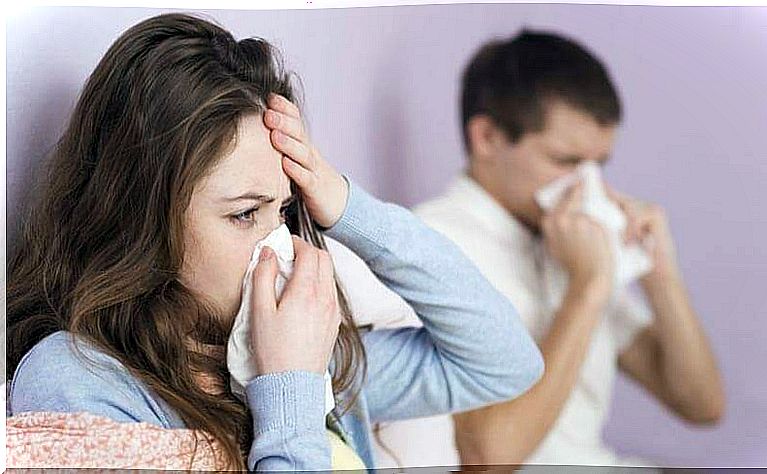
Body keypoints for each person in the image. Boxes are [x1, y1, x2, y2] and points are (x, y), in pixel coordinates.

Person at [4, 13, 545, 471]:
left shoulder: (312, 356)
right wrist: (289, 391)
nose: (277, 245)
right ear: (138, 221)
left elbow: (504, 362)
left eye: (284, 209)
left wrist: (343, 204)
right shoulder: (80, 382)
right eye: (244, 214)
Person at [373, 29, 725, 469]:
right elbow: (488, 457)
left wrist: (661, 275)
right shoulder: (433, 244)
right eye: (566, 161)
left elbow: (701, 405)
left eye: (599, 165)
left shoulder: (565, 240)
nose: (587, 186)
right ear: (486, 138)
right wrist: (588, 287)